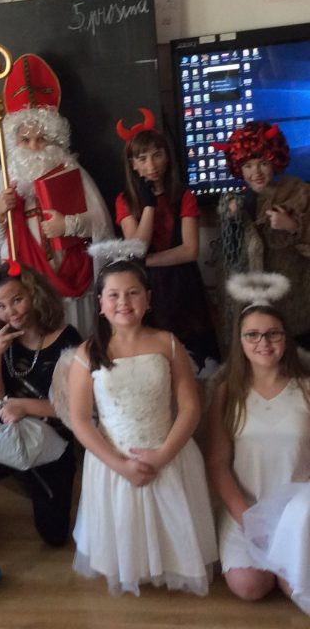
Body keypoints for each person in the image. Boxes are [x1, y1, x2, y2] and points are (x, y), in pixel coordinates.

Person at [68, 246, 217, 596]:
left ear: (148, 299)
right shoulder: (88, 353)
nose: (124, 302)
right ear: (101, 304)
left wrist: (163, 455)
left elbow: (190, 407)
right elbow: (80, 419)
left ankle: (173, 562)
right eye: (114, 295)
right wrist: (120, 464)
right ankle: (132, 566)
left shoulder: (168, 343)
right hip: (113, 459)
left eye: (133, 293)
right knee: (126, 525)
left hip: (168, 451)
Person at [0, 262, 81, 610]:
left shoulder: (68, 340)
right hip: (10, 433)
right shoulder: (1, 342)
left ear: (34, 295)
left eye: (17, 299)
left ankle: (29, 477)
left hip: (54, 442)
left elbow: (80, 409)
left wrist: (26, 406)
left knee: (54, 536)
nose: (11, 311)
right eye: (1, 305)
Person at [0, 53, 112, 336]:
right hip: (26, 287)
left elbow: (101, 225)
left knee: (75, 341)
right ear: (14, 142)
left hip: (71, 278)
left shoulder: (70, 169)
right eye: (25, 140)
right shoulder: (5, 178)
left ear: (54, 139)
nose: (34, 146)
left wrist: (68, 225)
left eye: (41, 139)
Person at [206, 273, 310, 610]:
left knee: (296, 585)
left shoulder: (306, 389)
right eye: (252, 334)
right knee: (250, 586)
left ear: (285, 338)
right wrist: (249, 520)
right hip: (247, 509)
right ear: (240, 341)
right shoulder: (227, 393)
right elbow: (218, 464)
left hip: (299, 511)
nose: (263, 342)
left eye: (273, 333)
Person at [115, 109, 219, 373]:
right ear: (133, 164)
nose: (151, 164)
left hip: (183, 285)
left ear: (167, 157)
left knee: (199, 363)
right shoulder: (125, 200)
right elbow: (137, 247)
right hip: (148, 290)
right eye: (143, 158)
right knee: (156, 363)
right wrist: (149, 205)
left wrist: (147, 261)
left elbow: (190, 250)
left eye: (157, 154)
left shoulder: (183, 195)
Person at [216, 120, 310, 350]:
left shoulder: (297, 193)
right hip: (255, 310)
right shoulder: (235, 203)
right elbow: (229, 259)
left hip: (295, 304)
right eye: (247, 165)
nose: (255, 172)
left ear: (274, 161)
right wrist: (232, 219)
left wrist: (292, 226)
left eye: (262, 163)